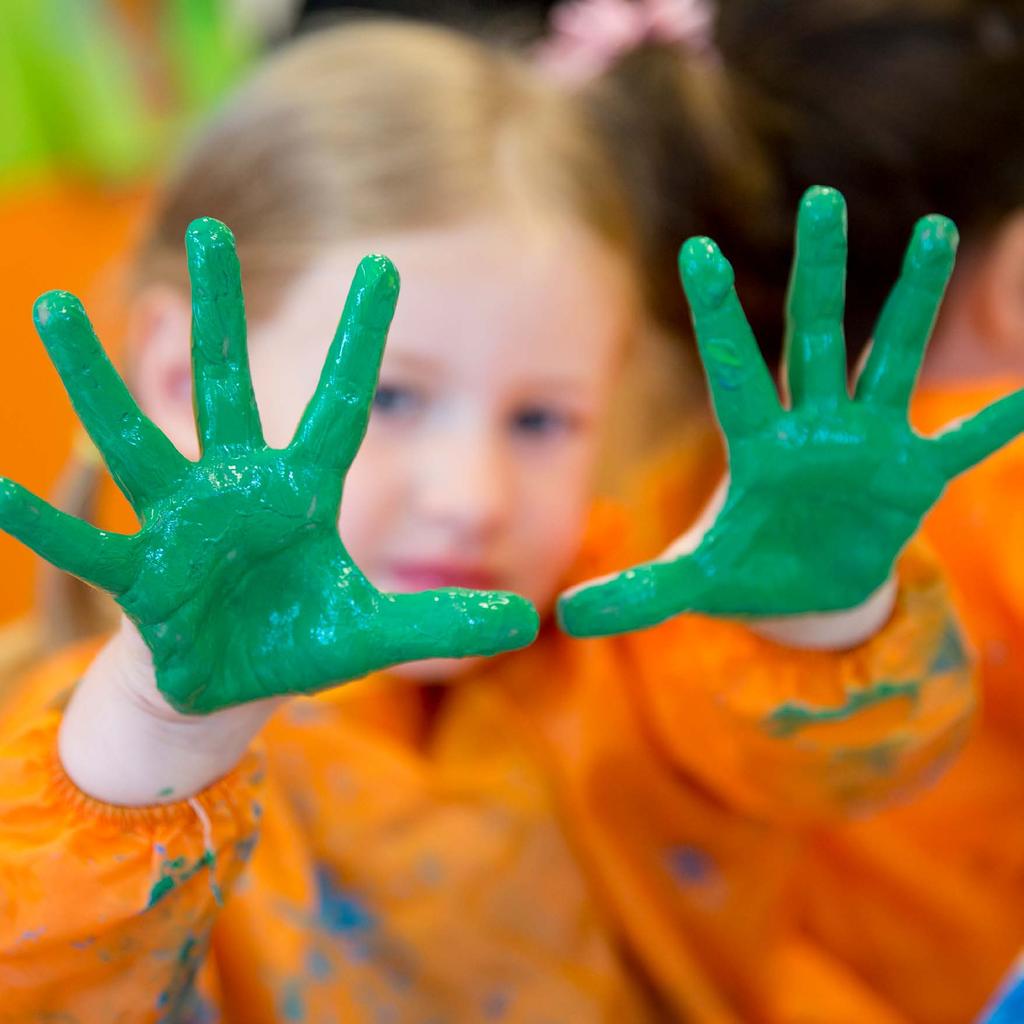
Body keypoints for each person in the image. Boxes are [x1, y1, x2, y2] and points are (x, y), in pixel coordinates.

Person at [0, 17, 1019, 1023]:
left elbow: (851, 765)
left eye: (539, 418)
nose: (472, 494)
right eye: (390, 400)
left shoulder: (617, 641)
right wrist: (157, 730)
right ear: (183, 373)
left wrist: (824, 612)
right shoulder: (79, 759)